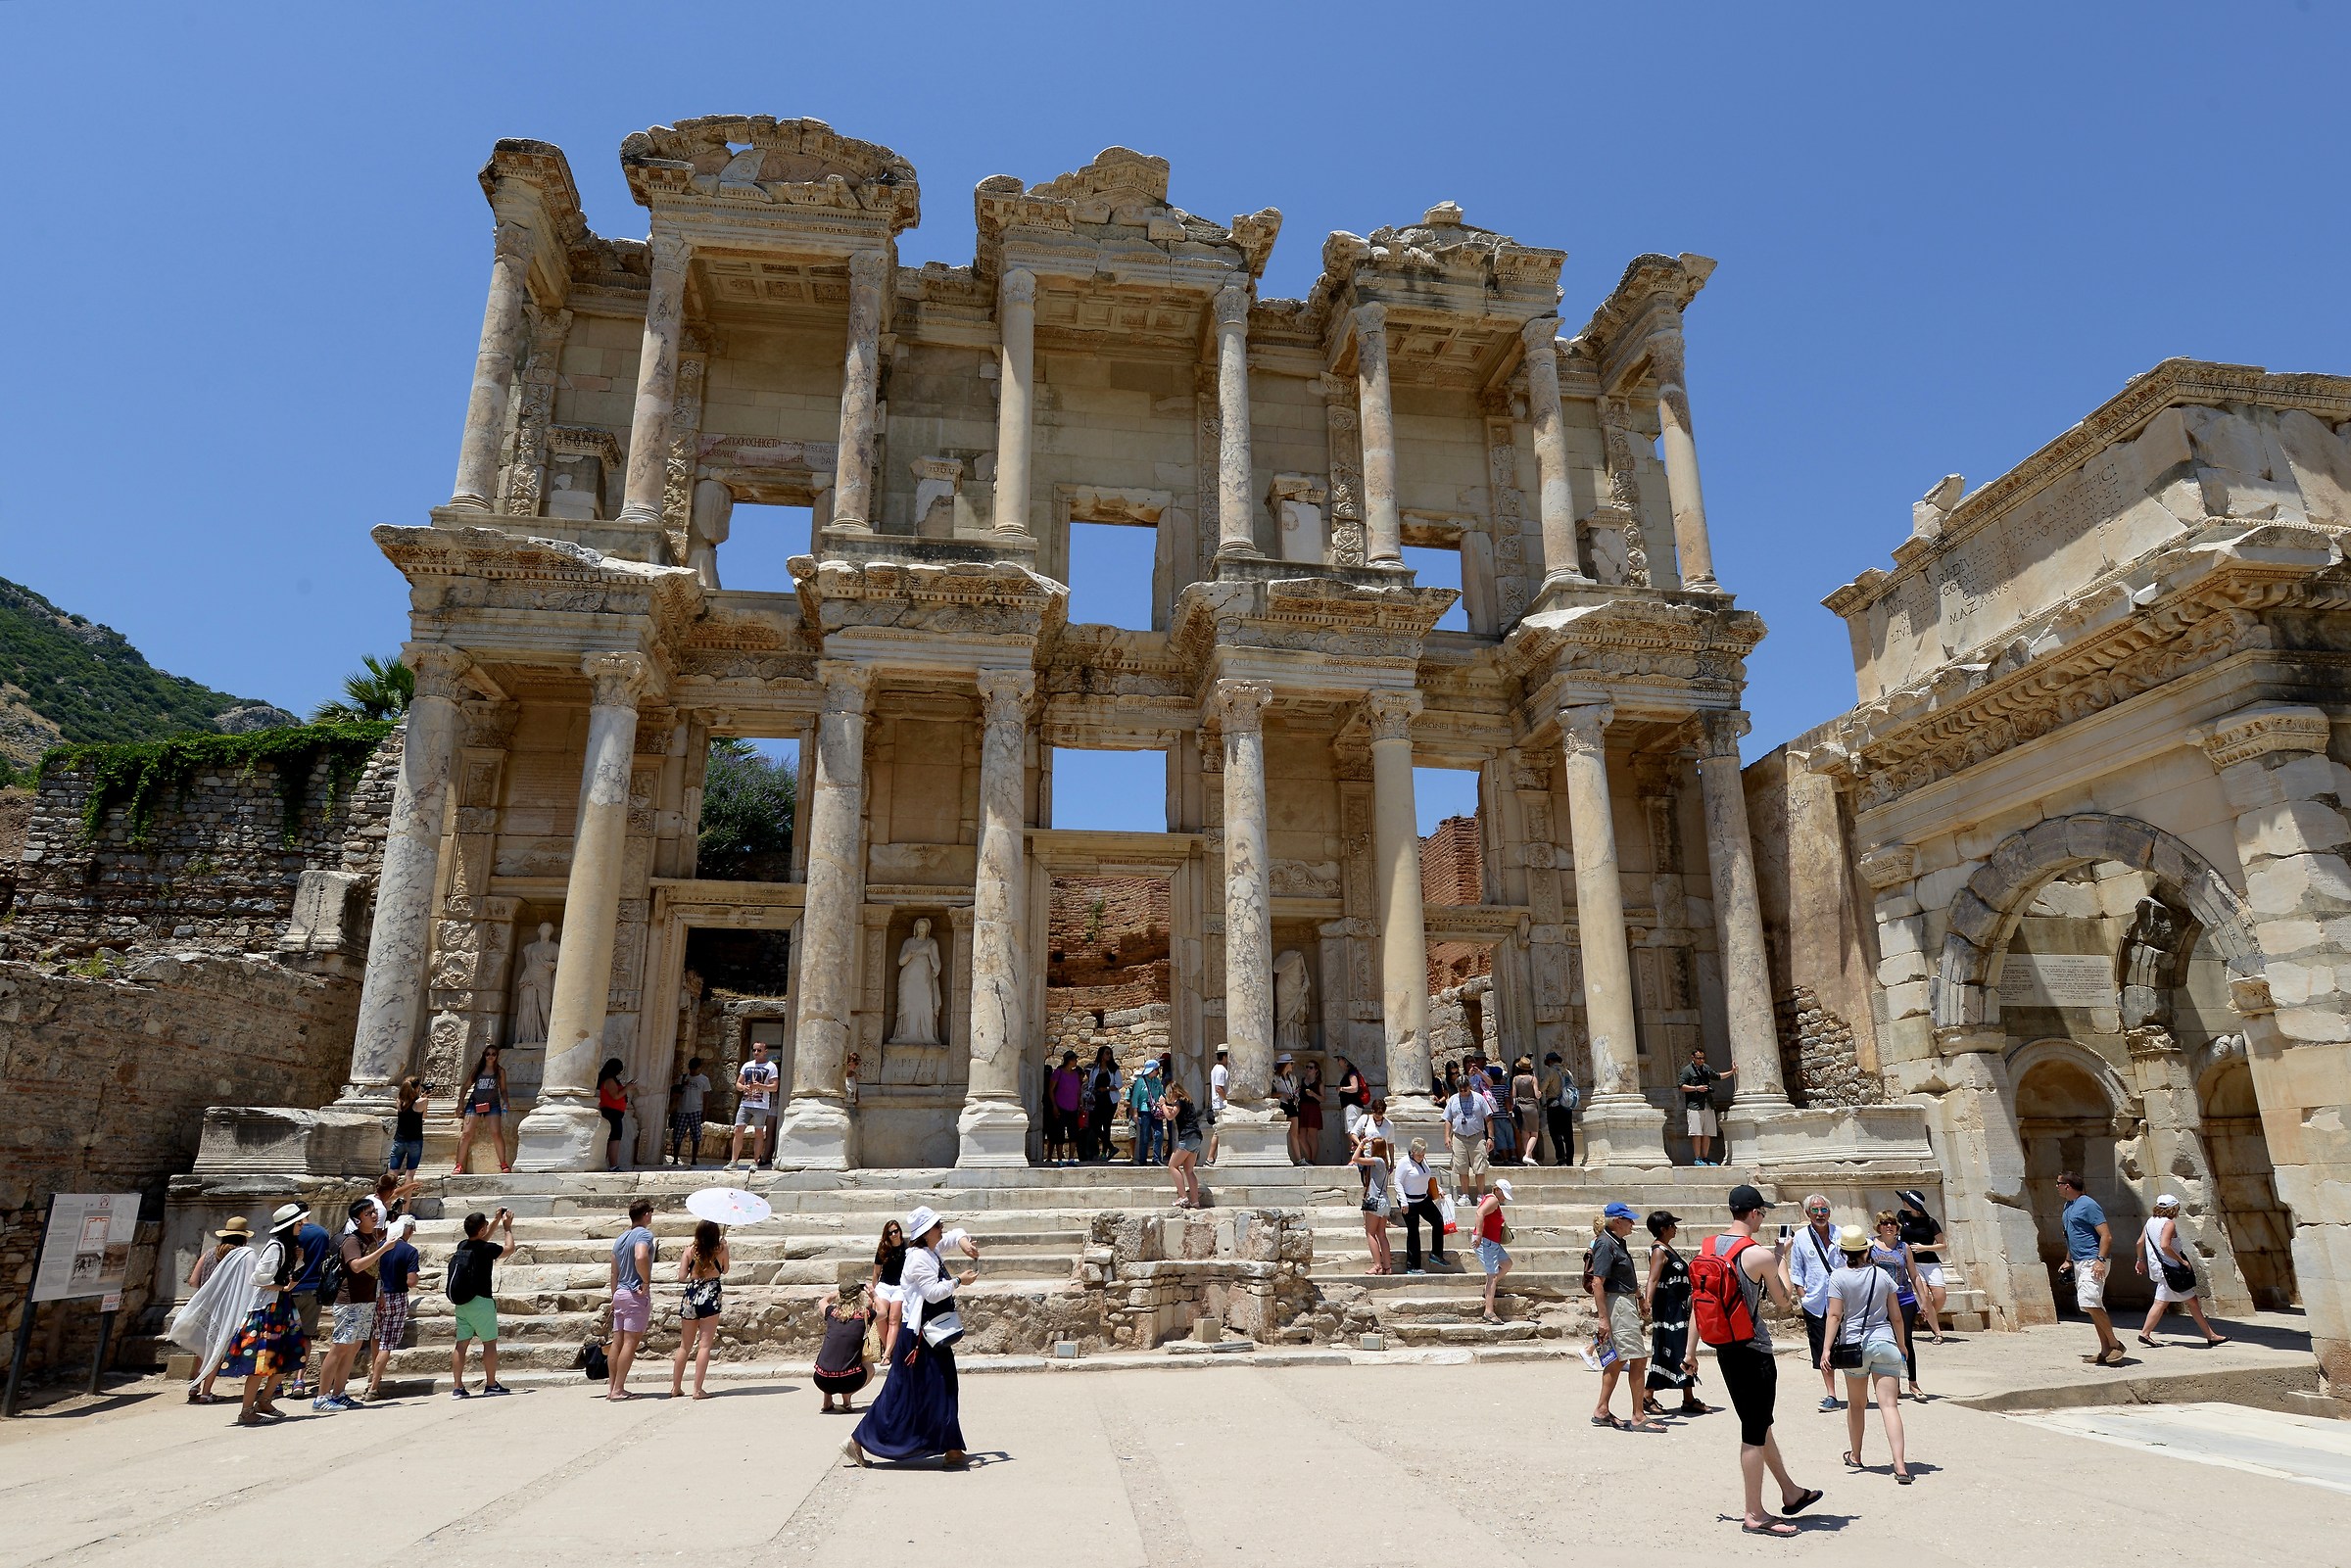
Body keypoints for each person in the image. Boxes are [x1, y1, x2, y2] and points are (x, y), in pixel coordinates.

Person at [1708, 1185, 1824, 1537]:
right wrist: (1781, 1259)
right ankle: (1755, 1514)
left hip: (1725, 1348)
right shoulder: (1758, 1255)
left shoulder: (1709, 1245)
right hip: (1753, 1349)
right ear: (1755, 1213)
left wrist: (1688, 1352)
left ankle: (1790, 1492)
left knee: (1758, 1422)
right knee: (1753, 1431)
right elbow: (1785, 1301)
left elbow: (1701, 1300)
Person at [846, 1207, 978, 1469]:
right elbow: (931, 1293)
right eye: (938, 1226)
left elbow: (955, 1235)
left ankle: (951, 1448)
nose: (941, 1229)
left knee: (944, 1386)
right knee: (901, 1393)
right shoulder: (918, 1259)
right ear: (927, 1232)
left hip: (930, 1335)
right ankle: (858, 1439)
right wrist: (958, 1281)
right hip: (917, 1338)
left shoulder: (930, 1250)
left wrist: (964, 1243)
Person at [1819, 1223, 1913, 1482]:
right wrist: (1902, 1345)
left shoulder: (1838, 1277)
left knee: (1856, 1404)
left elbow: (1835, 1315)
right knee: (1889, 1405)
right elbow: (1896, 1316)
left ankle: (1857, 1455)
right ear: (1866, 1250)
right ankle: (1900, 1465)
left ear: (1843, 1252)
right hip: (1884, 1341)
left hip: (1855, 1346)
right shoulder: (1882, 1276)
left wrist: (1826, 1349)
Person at [216, 1203, 311, 1428]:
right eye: (299, 1222)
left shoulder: (286, 1247)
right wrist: (284, 1288)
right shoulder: (275, 1247)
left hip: (281, 1307)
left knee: (288, 1356)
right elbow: (259, 1278)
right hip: (268, 1310)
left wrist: (297, 1260)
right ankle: (247, 1410)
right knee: (262, 1361)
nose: (302, 1226)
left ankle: (265, 1401)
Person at [318, 1199, 396, 1411]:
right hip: (349, 1302)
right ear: (357, 1219)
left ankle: (339, 1393)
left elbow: (373, 1270)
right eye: (368, 1213)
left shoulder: (369, 1237)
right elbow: (357, 1266)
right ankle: (322, 1396)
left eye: (373, 1212)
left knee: (352, 1349)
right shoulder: (352, 1241)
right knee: (339, 1347)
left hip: (366, 1300)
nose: (374, 1215)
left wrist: (378, 1294)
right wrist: (383, 1249)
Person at [1587, 1202, 1660, 1429]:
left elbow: (1624, 1276)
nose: (1632, 1223)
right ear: (1617, 1221)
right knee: (1638, 1359)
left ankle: (1602, 1410)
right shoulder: (1605, 1244)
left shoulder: (1616, 1242)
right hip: (1617, 1304)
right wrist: (1603, 1319)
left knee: (1617, 1361)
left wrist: (1639, 1298)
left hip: (1625, 1300)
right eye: (1629, 1220)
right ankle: (1638, 1415)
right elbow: (1598, 1282)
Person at [1644, 1211, 1713, 1418]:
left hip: (1679, 1308)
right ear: (1663, 1229)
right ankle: (1647, 1395)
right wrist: (1647, 1301)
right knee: (1669, 1349)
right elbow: (1653, 1279)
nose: (1676, 1228)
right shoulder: (1658, 1250)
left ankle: (1688, 1397)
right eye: (1672, 1225)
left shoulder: (1668, 1248)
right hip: (1668, 1310)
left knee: (1683, 1349)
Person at [2136, 1194, 2231, 1347]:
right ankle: (2145, 1333)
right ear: (2174, 1208)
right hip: (2170, 1269)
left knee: (2174, 1302)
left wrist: (2140, 1260)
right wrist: (2182, 1261)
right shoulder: (2168, 1224)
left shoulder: (2150, 1222)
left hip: (2159, 1268)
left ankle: (2210, 1335)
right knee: (2170, 1302)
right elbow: (2165, 1245)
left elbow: (2140, 1242)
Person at [180, 1216, 253, 1405]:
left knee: (203, 1347)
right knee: (216, 1349)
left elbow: (193, 1281)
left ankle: (194, 1386)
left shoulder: (209, 1254)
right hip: (226, 1309)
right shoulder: (243, 1256)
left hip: (205, 1307)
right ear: (244, 1238)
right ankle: (206, 1392)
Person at [1785, 1193, 1845, 1411]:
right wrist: (1803, 1295)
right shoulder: (1800, 1237)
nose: (1820, 1214)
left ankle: (1856, 1391)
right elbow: (1797, 1269)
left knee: (1847, 1346)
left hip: (1842, 1300)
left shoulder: (1841, 1234)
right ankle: (1831, 1394)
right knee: (1822, 1349)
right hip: (1816, 1302)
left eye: (1824, 1210)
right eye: (1815, 1210)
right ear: (1808, 1213)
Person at [1870, 1210, 1938, 1399]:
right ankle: (1895, 1384)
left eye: (1892, 1223)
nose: (1889, 1226)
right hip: (1880, 1299)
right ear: (1879, 1226)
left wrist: (1923, 1300)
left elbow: (1914, 1275)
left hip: (1903, 1296)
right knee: (1887, 1341)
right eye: (1884, 1223)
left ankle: (1913, 1383)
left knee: (1906, 1339)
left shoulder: (1903, 1247)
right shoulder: (1870, 1245)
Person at [2055, 1172, 2122, 1365]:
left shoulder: (2088, 1204)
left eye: (2058, 1184)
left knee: (2091, 1303)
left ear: (2067, 1185)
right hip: (2078, 1261)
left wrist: (2100, 1260)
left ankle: (2115, 1344)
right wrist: (2068, 1260)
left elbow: (2106, 1236)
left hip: (2093, 1261)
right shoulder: (2068, 1207)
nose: (2056, 1187)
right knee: (2090, 1306)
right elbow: (2072, 1237)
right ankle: (2105, 1350)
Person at [447, 1209, 513, 1398]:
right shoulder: (487, 1249)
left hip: (462, 1302)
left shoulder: (462, 1245)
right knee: (489, 1344)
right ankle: (491, 1384)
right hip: (481, 1301)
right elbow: (509, 1249)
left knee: (461, 1345)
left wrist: (495, 1220)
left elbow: (481, 1238)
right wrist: (507, 1228)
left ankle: (458, 1387)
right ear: (481, 1230)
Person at [671, 1218, 730, 1399]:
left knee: (685, 1345)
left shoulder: (689, 1250)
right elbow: (725, 1270)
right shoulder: (721, 1249)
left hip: (691, 1294)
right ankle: (697, 1389)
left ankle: (676, 1387)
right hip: (710, 1294)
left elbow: (681, 1276)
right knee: (704, 1345)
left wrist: (696, 1277)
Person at [366, 1213, 420, 1401]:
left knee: (376, 1337)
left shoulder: (378, 1248)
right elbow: (411, 1281)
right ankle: (374, 1386)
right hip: (396, 1297)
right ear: (409, 1230)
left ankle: (374, 1375)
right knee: (387, 1344)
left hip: (376, 1297)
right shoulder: (410, 1251)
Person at [607, 1199, 657, 1400]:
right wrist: (645, 1281)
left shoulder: (620, 1238)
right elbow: (640, 1256)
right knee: (630, 1342)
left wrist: (614, 1296)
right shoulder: (644, 1234)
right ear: (646, 1215)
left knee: (616, 1341)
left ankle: (611, 1388)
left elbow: (613, 1272)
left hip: (619, 1292)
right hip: (635, 1293)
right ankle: (619, 1389)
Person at [282, 1210, 334, 1398]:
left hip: (290, 1289)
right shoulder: (321, 1232)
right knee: (306, 1337)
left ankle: (279, 1380)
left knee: (285, 1336)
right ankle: (299, 1379)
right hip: (313, 1288)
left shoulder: (288, 1233)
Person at [1395, 1136, 1451, 1274]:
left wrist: (1438, 1189)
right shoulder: (1404, 1163)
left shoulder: (1423, 1160)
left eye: (1423, 1154)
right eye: (1419, 1154)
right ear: (1412, 1151)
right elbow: (1398, 1182)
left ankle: (1436, 1254)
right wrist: (1403, 1201)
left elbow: (1426, 1177)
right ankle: (1412, 1266)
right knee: (1413, 1232)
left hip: (1423, 1199)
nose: (1421, 1157)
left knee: (1438, 1221)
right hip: (1409, 1202)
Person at [815, 1287, 874, 1412]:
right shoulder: (864, 1315)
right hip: (850, 1381)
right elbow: (883, 1311)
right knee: (869, 1367)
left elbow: (821, 1302)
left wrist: (832, 1295)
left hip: (821, 1380)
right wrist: (874, 1296)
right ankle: (847, 1397)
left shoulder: (831, 1313)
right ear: (859, 1297)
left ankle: (827, 1400)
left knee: (831, 1357)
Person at [1895, 1189, 1947, 1328]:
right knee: (1924, 1295)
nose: (1903, 1202)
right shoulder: (1901, 1216)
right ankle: (1935, 1329)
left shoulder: (1930, 1222)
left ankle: (1924, 1318)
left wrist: (1924, 1247)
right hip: (1913, 1262)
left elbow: (1942, 1245)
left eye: (1905, 1200)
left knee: (1940, 1296)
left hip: (1931, 1262)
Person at [456, 1044, 510, 1175]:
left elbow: (503, 1089)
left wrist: (506, 1101)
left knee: (496, 1133)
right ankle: (458, 1165)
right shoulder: (478, 1070)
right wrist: (460, 1104)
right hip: (474, 1103)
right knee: (466, 1134)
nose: (490, 1056)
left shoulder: (500, 1071)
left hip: (492, 1104)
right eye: (488, 1054)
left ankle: (503, 1163)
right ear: (484, 1055)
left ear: (497, 1056)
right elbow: (465, 1087)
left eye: (493, 1054)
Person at [1679, 1046, 1735, 1165]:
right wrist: (1696, 1088)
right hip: (1694, 1105)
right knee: (1696, 1133)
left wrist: (1731, 1072)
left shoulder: (1706, 1068)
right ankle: (1697, 1158)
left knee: (1707, 1132)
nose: (1701, 1061)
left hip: (1708, 1104)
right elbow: (1681, 1086)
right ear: (1693, 1057)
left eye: (1703, 1058)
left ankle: (1705, 1157)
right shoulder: (1687, 1070)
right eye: (1699, 1058)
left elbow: (1717, 1076)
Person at [729, 1040, 779, 1170]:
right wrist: (743, 1087)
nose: (756, 1053)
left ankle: (755, 1161)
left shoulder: (771, 1067)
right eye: (754, 1050)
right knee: (738, 1130)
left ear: (765, 1052)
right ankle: (734, 1161)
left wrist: (760, 1086)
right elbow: (738, 1084)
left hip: (761, 1105)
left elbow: (774, 1087)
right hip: (745, 1103)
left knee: (758, 1132)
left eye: (759, 1050)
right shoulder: (747, 1065)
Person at [1352, 1134, 1395, 1274]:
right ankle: (1387, 1267)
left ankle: (1377, 1265)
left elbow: (1355, 1158)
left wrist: (1362, 1143)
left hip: (1375, 1201)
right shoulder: (1385, 1162)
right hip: (1384, 1201)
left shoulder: (1377, 1160)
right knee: (1381, 1234)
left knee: (1370, 1233)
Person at [1473, 1179, 1514, 1326]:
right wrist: (1478, 1234)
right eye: (1503, 1194)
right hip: (1486, 1241)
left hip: (1492, 1242)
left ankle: (1491, 1288)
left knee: (1507, 1263)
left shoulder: (1492, 1200)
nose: (1504, 1198)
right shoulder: (1493, 1200)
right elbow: (1480, 1213)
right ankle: (1489, 1311)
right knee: (1492, 1275)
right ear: (1497, 1190)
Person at [1163, 1081, 1207, 1208]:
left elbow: (1170, 1116)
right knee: (1189, 1170)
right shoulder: (1187, 1101)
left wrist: (1162, 1105)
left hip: (1187, 1137)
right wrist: (1167, 1106)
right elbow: (1176, 1111)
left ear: (1173, 1092)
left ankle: (1183, 1197)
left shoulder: (1179, 1101)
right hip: (1196, 1137)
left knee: (1172, 1165)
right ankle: (1195, 1201)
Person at [870, 1219, 909, 1357]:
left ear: (900, 1231)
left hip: (900, 1287)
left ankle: (886, 1355)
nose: (894, 1234)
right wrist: (872, 1294)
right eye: (890, 1232)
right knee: (880, 1315)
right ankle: (890, 1351)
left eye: (895, 1231)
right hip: (884, 1286)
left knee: (893, 1319)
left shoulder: (907, 1248)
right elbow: (876, 1273)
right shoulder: (883, 1248)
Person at [671, 1057, 711, 1167]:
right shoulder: (683, 1078)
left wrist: (705, 1113)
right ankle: (675, 1159)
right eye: (691, 1069)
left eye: (694, 1069)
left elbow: (706, 1097)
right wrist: (683, 1085)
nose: (692, 1071)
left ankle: (694, 1159)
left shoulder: (704, 1080)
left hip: (696, 1110)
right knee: (678, 1135)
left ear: (699, 1068)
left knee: (696, 1136)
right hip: (682, 1110)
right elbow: (676, 1094)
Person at [1540, 1052, 1578, 1166]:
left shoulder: (1550, 1071)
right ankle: (1570, 1160)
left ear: (1550, 1061)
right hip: (1567, 1104)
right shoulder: (1568, 1072)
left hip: (1554, 1104)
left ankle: (1561, 1159)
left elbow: (1542, 1088)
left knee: (1555, 1132)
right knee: (1568, 1133)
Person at [1046, 1051, 1084, 1166]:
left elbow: (1078, 1092)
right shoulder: (1058, 1073)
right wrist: (1054, 1106)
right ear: (1069, 1060)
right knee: (1059, 1134)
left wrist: (1080, 1105)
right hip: (1060, 1107)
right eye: (1075, 1059)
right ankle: (1059, 1159)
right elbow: (1051, 1090)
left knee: (1073, 1134)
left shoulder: (1075, 1075)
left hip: (1073, 1108)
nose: (1076, 1061)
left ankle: (1071, 1158)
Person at [597, 1058, 635, 1170]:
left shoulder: (611, 1080)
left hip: (615, 1113)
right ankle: (613, 1166)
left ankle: (605, 1164)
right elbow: (616, 1096)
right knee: (614, 1139)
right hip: (611, 1113)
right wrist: (627, 1088)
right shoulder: (609, 1081)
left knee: (612, 1139)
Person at [1086, 1047, 1122, 1163]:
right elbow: (1091, 1083)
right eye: (1107, 1053)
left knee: (1106, 1126)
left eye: (1110, 1053)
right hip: (1097, 1099)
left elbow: (1119, 1084)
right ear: (1101, 1055)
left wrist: (1106, 1089)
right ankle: (1111, 1147)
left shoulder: (1114, 1069)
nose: (1109, 1056)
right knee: (1094, 1124)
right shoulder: (1095, 1069)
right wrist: (1093, 1091)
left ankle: (1104, 1152)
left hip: (1109, 1100)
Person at [1128, 1059, 1166, 1165]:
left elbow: (1161, 1093)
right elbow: (1135, 1098)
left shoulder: (1157, 1081)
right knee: (1144, 1136)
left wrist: (1162, 1101)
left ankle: (1156, 1158)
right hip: (1145, 1111)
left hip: (1156, 1111)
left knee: (1159, 1134)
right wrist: (1135, 1113)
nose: (1157, 1072)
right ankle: (1142, 1159)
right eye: (1156, 1069)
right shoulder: (1140, 1081)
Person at [389, 1078, 426, 1172]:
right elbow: (424, 1117)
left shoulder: (399, 1101)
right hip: (415, 1140)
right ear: (418, 1088)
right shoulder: (423, 1101)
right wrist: (424, 1098)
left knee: (392, 1172)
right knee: (410, 1174)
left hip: (399, 1140)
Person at [1511, 1057, 1542, 1166]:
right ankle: (1528, 1155)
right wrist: (1540, 1093)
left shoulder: (1515, 1079)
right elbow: (1537, 1095)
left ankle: (1529, 1158)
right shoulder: (1533, 1079)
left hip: (1521, 1107)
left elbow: (1514, 1095)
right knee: (1534, 1134)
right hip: (1531, 1108)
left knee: (1525, 1134)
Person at [1293, 1059, 1325, 1164]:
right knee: (1301, 1136)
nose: (1308, 1069)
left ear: (1316, 1070)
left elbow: (1323, 1098)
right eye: (1307, 1067)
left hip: (1313, 1109)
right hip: (1303, 1108)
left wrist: (1313, 1094)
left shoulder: (1319, 1083)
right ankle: (1310, 1158)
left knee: (1312, 1136)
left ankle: (1313, 1160)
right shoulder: (1302, 1081)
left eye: (1311, 1067)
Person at [1270, 1054, 1299, 1164]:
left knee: (1294, 1133)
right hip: (1281, 1105)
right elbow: (1270, 1094)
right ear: (1286, 1064)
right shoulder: (1275, 1078)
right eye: (1290, 1063)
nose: (1292, 1065)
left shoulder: (1292, 1078)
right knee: (1281, 1132)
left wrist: (1295, 1097)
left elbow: (1296, 1090)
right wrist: (1282, 1094)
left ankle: (1299, 1158)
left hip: (1291, 1106)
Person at [1335, 1057, 1370, 1141]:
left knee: (1353, 1131)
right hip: (1349, 1105)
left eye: (1339, 1059)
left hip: (1352, 1105)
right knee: (1350, 1131)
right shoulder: (1349, 1073)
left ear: (1345, 1061)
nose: (1338, 1061)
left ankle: (1359, 1149)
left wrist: (1341, 1089)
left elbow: (1354, 1088)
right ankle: (1355, 1150)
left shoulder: (1352, 1073)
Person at [1207, 1046, 1229, 1164]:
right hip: (1221, 1104)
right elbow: (1219, 1088)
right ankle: (1210, 1157)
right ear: (1224, 1056)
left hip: (1217, 1104)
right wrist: (1226, 1100)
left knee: (1218, 1132)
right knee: (1218, 1132)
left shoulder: (1215, 1068)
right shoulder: (1221, 1070)